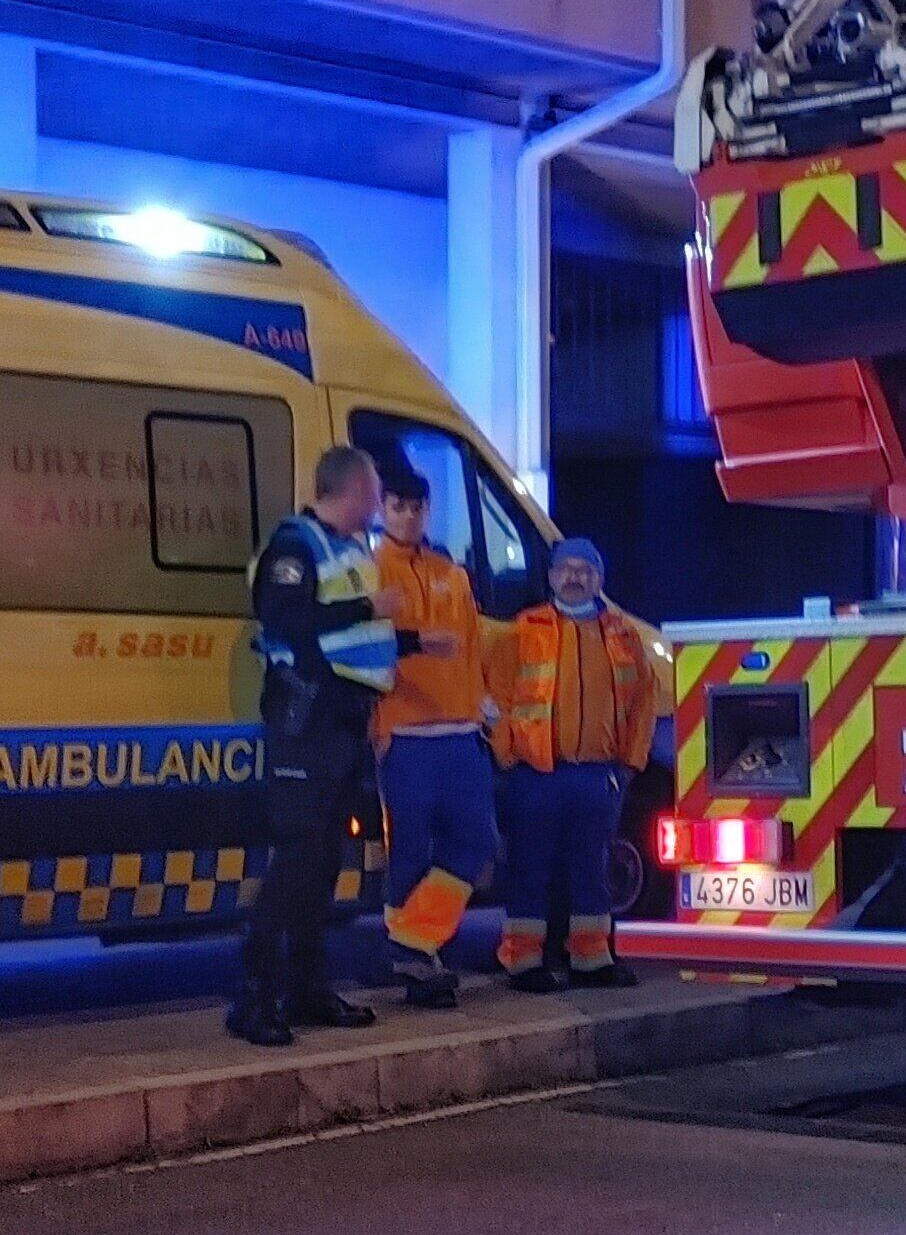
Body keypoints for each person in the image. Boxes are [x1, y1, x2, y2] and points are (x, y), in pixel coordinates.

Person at [234, 445, 405, 1046]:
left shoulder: (351, 550)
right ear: (353, 490)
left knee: (324, 862)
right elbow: (285, 619)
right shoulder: (295, 545)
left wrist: (409, 642)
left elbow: (353, 634)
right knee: (298, 858)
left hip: (342, 722)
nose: (381, 502)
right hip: (305, 720)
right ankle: (252, 999)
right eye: (376, 489)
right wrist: (367, 607)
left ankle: (308, 990)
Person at [489, 533, 663, 992]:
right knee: (531, 867)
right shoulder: (525, 630)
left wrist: (629, 763)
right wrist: (508, 754)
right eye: (565, 569)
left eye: (584, 570)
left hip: (597, 773)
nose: (573, 577)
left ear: (599, 579)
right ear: (549, 577)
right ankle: (524, 962)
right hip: (536, 772)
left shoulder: (623, 634)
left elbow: (643, 702)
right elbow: (497, 696)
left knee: (592, 868)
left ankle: (591, 959)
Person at [368, 450, 500, 1009]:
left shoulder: (452, 573)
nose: (408, 517)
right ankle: (418, 965)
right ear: (383, 510)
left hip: (460, 731)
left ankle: (412, 940)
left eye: (416, 507)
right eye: (397, 507)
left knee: (478, 841)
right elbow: (363, 652)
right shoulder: (370, 571)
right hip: (405, 734)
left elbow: (473, 647)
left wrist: (483, 709)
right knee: (409, 855)